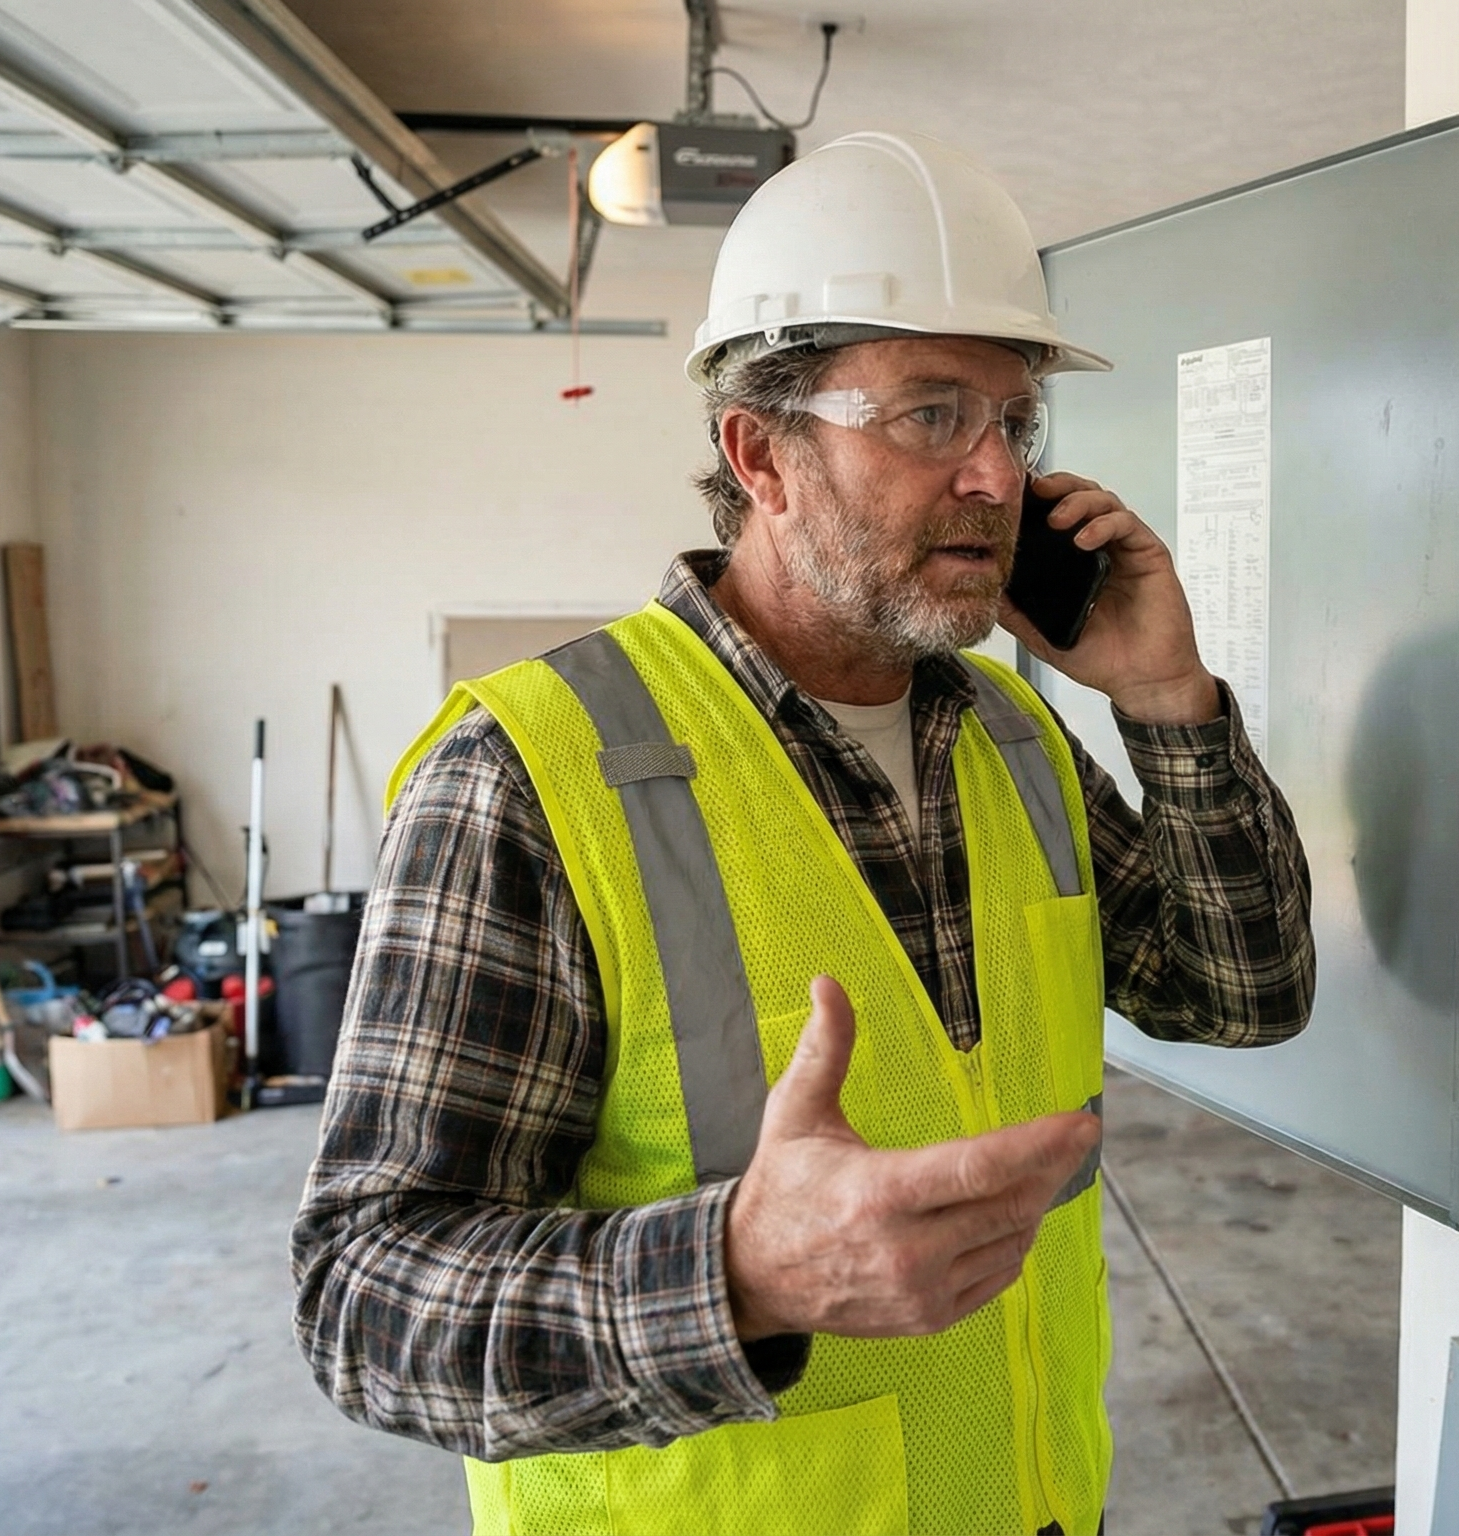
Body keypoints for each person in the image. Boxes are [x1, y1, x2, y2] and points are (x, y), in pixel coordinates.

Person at [292, 130, 1316, 1536]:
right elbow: (363, 1301)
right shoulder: (530, 776)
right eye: (931, 415)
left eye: (1015, 424)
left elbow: (1241, 992)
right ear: (760, 452)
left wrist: (1165, 699)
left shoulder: (1012, 740)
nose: (997, 478)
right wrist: (735, 1277)